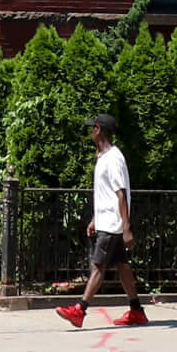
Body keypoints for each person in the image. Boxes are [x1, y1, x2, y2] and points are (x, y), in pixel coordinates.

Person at [57, 115, 147, 329]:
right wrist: (95, 220)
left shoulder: (114, 159)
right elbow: (106, 194)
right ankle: (137, 311)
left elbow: (121, 194)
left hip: (113, 225)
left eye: (93, 128)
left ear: (99, 130)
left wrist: (126, 228)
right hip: (107, 221)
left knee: (98, 266)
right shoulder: (104, 157)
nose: (91, 133)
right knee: (123, 267)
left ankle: (80, 310)